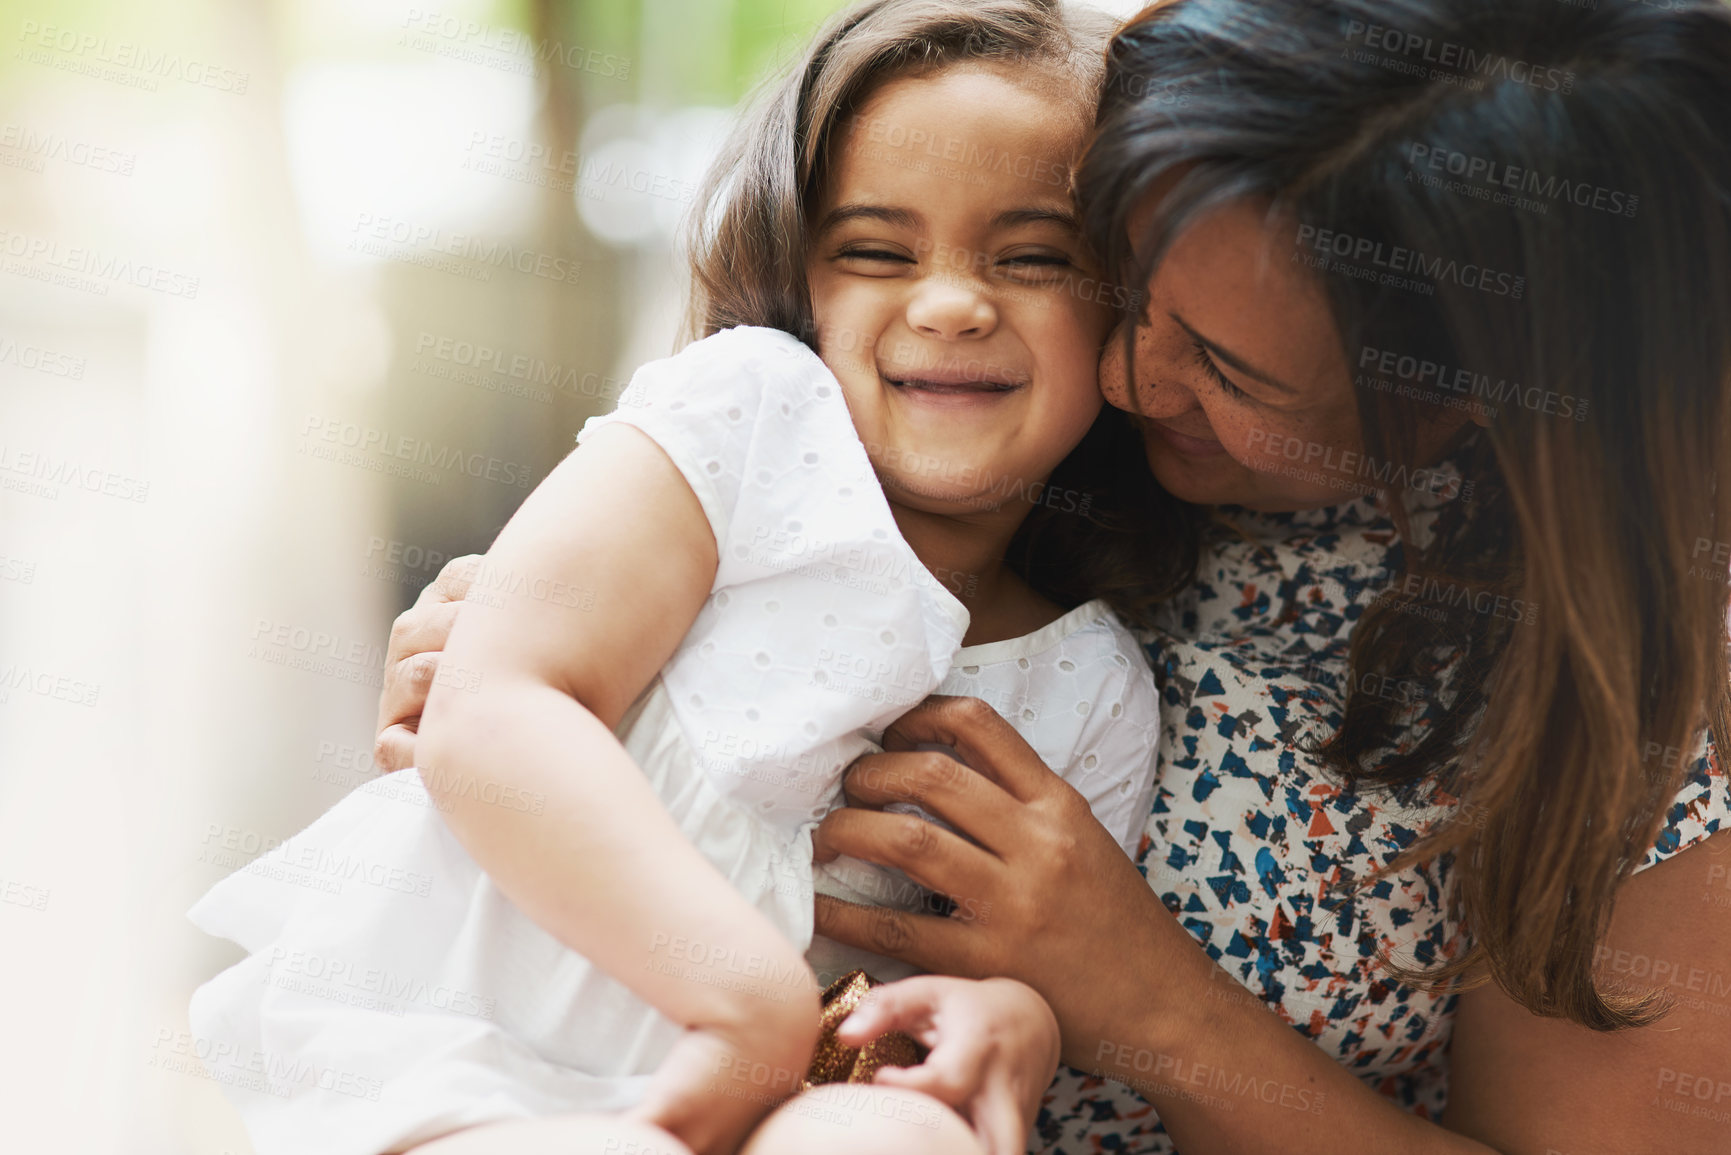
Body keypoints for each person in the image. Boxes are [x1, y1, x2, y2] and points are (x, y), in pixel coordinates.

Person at [379, 0, 1731, 1151]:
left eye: (1232, 370)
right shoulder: (999, 353)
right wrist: (537, 636)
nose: (1134, 378)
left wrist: (1142, 1003)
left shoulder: (1619, 682)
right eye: (1123, 280)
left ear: (1469, 402)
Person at [187, 3, 1189, 1154]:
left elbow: (1032, 972)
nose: (953, 302)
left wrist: (1013, 1025)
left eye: (1033, 258)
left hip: (805, 1089)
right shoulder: (747, 416)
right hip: (490, 1040)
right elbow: (492, 705)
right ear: (794, 279)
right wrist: (741, 996)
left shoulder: (1094, 682)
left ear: (1125, 314)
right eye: (875, 250)